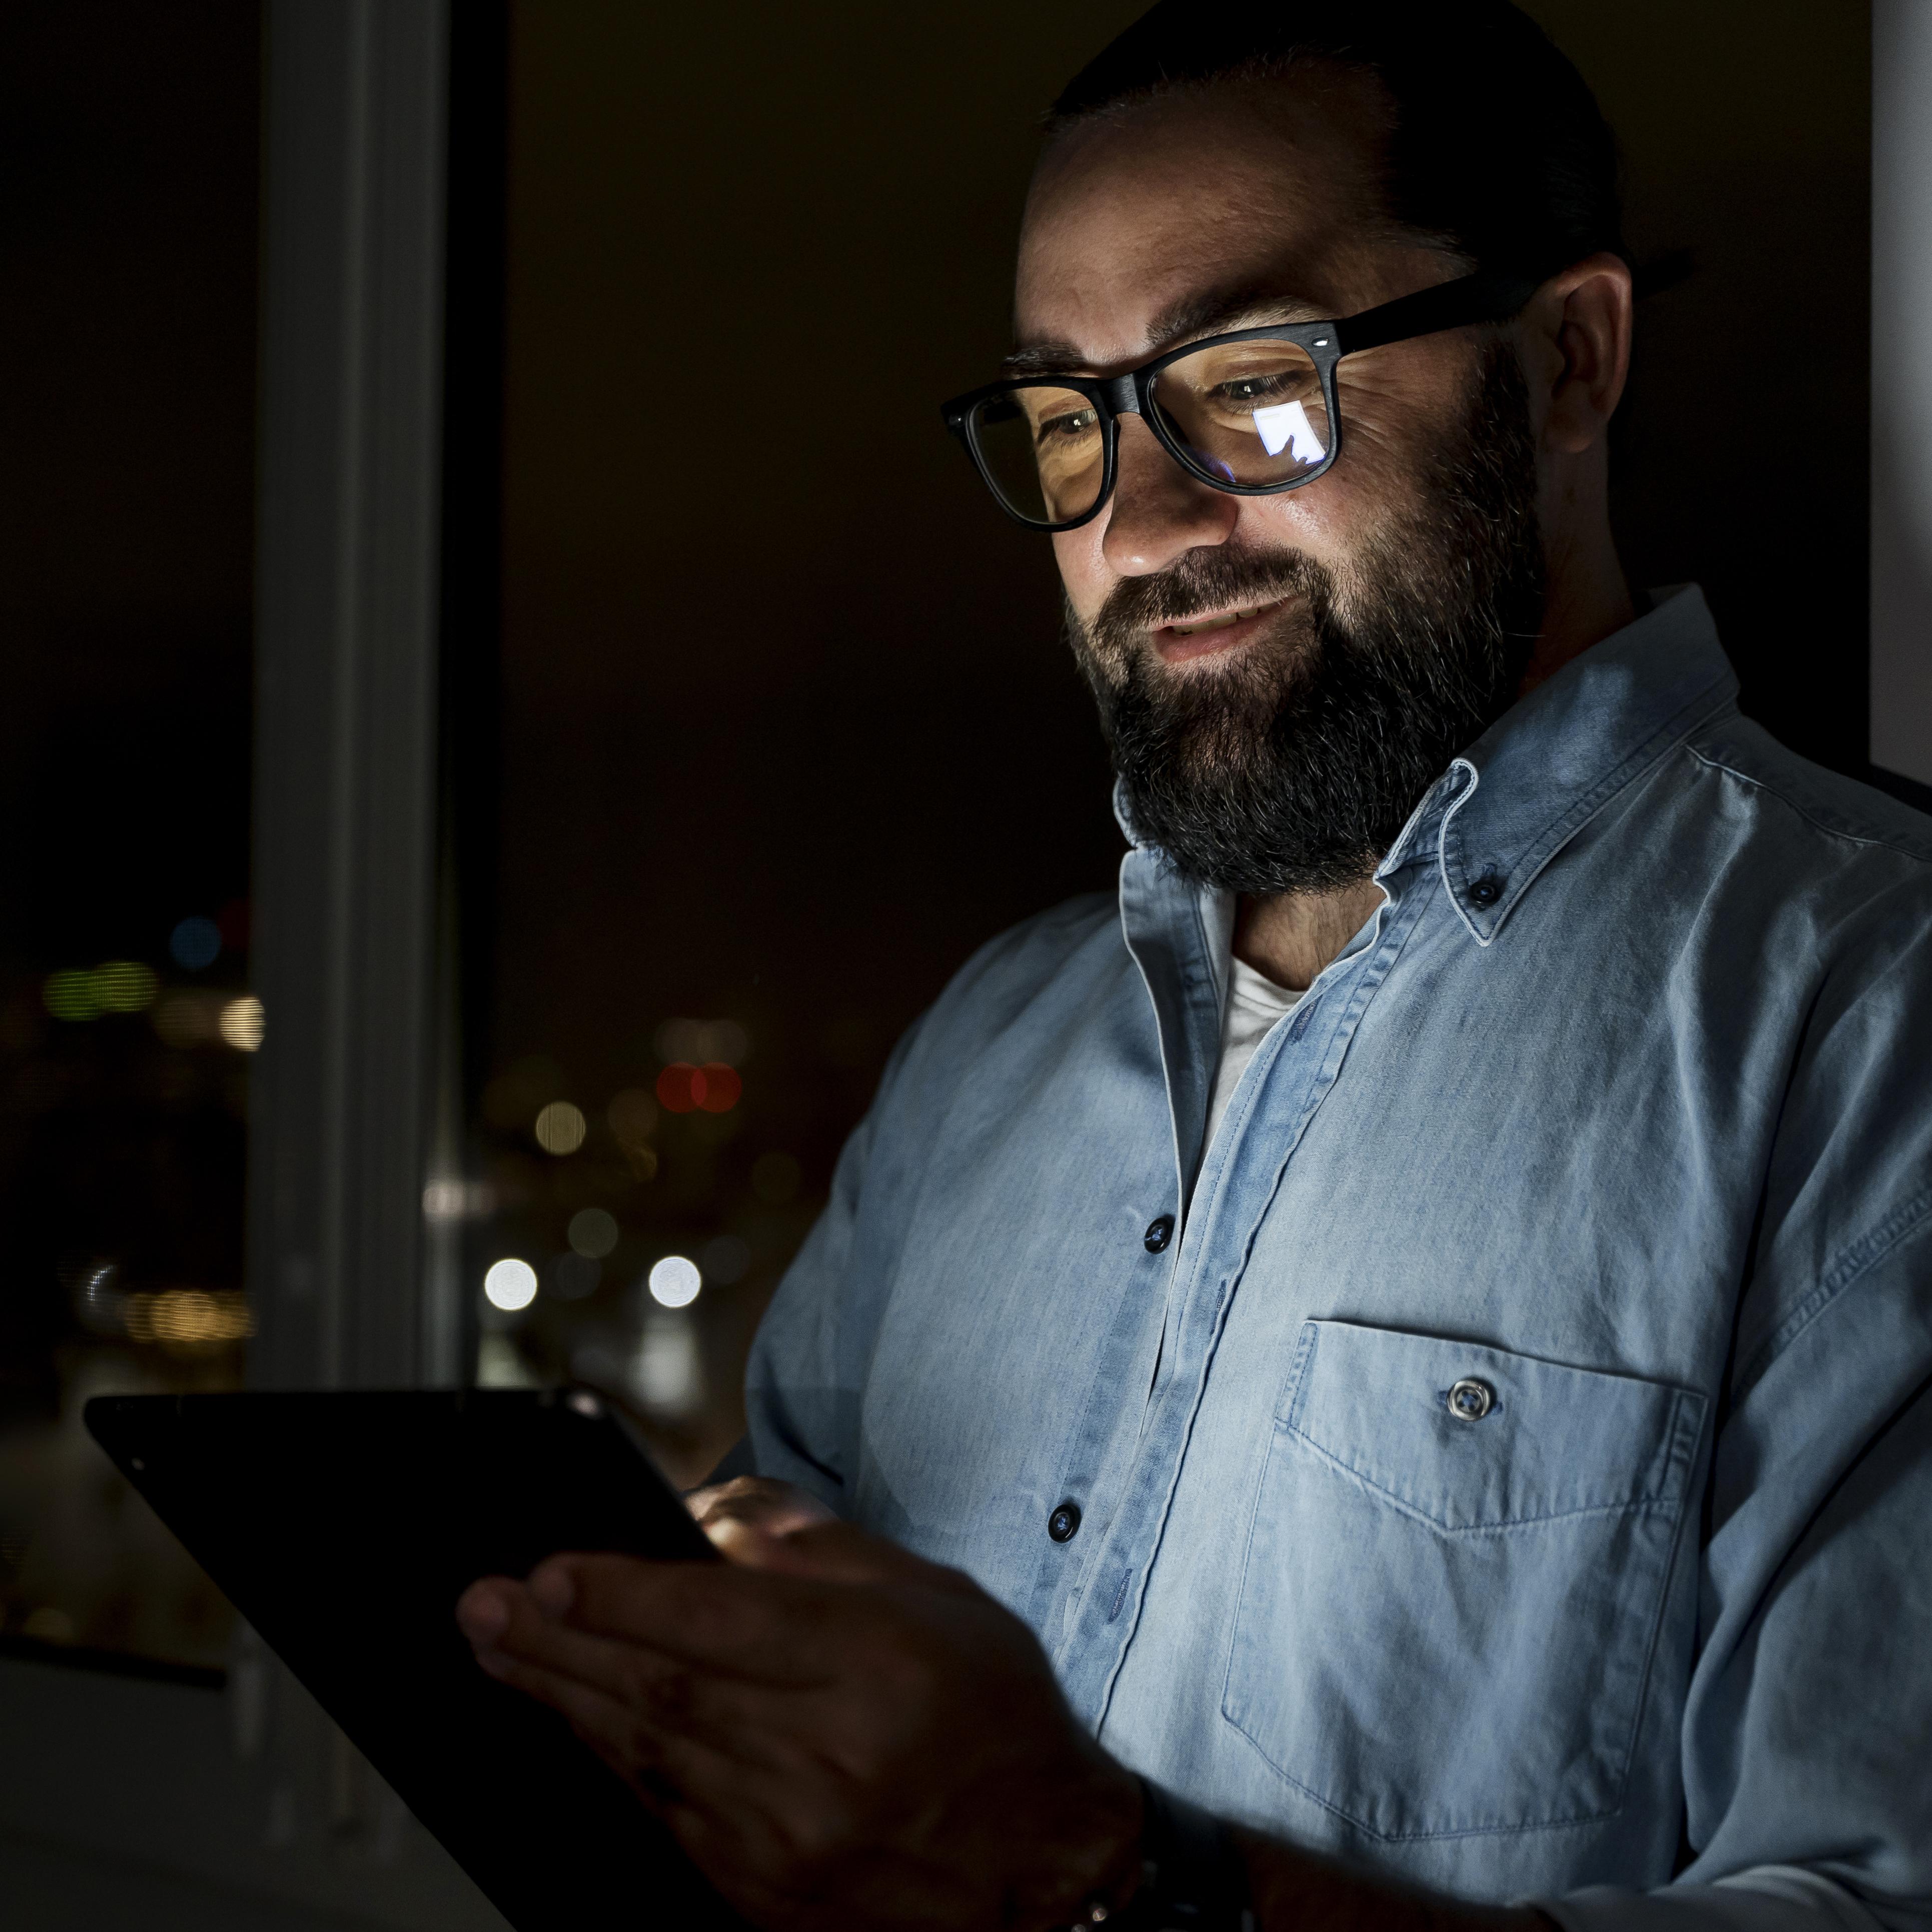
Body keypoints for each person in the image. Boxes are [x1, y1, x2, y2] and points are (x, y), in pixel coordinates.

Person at [455, 5, 1932, 1928]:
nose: (1140, 524)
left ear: (1569, 361)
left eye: (1251, 382)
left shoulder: (1870, 1017)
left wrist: (1109, 1881)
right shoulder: (988, 1046)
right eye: (1070, 420)